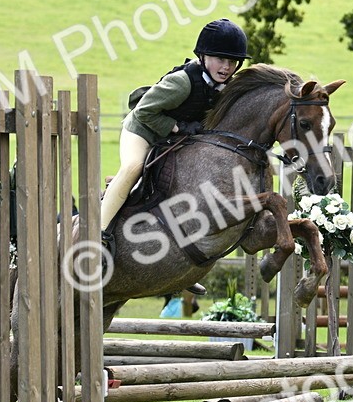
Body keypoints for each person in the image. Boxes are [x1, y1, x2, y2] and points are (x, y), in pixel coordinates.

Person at [99, 17, 251, 294]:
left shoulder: (224, 88)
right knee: (133, 167)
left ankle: (181, 265)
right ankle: (100, 235)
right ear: (203, 56)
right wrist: (177, 127)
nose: (227, 67)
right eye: (220, 59)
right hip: (143, 130)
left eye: (233, 61)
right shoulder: (182, 82)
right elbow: (144, 111)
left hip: (176, 140)